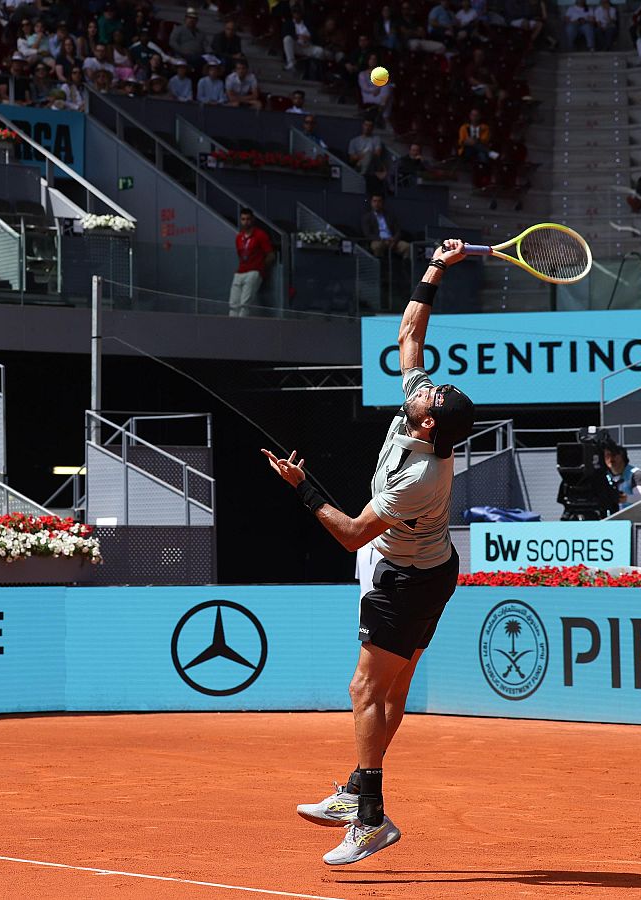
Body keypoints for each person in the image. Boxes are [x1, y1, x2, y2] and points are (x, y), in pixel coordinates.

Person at [266, 239, 475, 866]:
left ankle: (371, 815)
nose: (425, 386)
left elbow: (355, 533)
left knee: (365, 689)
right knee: (390, 691)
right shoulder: (414, 409)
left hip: (408, 579)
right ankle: (360, 788)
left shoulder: (423, 477)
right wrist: (437, 267)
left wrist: (304, 491)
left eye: (433, 396)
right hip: (428, 572)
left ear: (431, 424)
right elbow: (411, 332)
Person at [230, 208, 273, 317]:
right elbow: (240, 255)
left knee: (245, 304)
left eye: (248, 219)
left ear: (252, 219)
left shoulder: (260, 235)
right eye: (243, 219)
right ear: (240, 220)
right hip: (240, 272)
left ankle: (241, 329)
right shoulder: (239, 237)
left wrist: (260, 267)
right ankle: (231, 328)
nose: (246, 222)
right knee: (233, 304)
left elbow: (271, 255)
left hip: (253, 272)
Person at [362, 194, 410, 259]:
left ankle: (405, 268)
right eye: (375, 201)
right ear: (371, 203)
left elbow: (398, 230)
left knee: (407, 247)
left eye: (379, 201)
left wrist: (394, 240)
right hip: (378, 240)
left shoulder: (389, 216)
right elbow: (367, 234)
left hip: (392, 240)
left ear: (382, 203)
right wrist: (382, 240)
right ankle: (381, 268)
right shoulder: (367, 217)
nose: (377, 204)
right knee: (377, 247)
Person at [603, 444, 641, 508]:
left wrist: (625, 498)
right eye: (607, 455)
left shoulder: (635, 473)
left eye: (614, 455)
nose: (610, 459)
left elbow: (640, 496)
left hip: (633, 516)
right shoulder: (604, 475)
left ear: (622, 456)